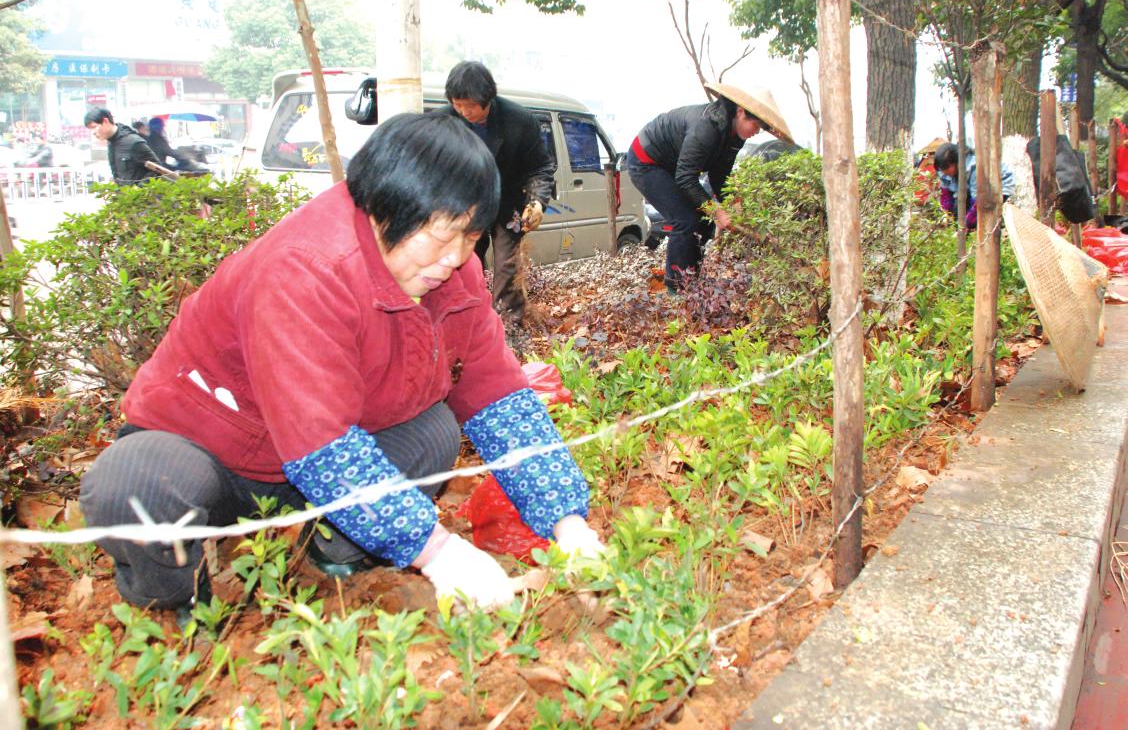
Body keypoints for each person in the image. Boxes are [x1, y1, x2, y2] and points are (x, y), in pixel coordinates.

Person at [79, 112, 604, 616]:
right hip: (214, 454)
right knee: (136, 485)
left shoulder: (454, 277)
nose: (455, 257)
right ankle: (176, 602)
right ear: (385, 208)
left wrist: (569, 525)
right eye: (441, 236)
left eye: (470, 237)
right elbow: (323, 446)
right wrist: (439, 551)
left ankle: (333, 549)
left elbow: (498, 399)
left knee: (433, 432)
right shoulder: (306, 269)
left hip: (312, 467)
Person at [627, 83, 793, 293]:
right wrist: (718, 211)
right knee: (685, 220)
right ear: (741, 112)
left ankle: (692, 282)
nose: (757, 132)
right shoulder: (706, 127)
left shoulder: (735, 136)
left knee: (704, 222)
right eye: (756, 125)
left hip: (674, 166)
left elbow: (719, 176)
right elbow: (686, 178)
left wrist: (732, 204)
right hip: (647, 161)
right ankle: (675, 290)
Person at [441, 61, 555, 322]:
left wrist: (537, 202)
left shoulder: (519, 120)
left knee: (507, 264)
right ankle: (468, 321)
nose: (464, 111)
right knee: (465, 263)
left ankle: (509, 326)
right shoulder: (444, 121)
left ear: (488, 97)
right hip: (465, 205)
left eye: (471, 105)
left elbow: (541, 166)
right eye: (458, 105)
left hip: (509, 202)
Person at [934, 142, 1015, 230]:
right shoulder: (943, 172)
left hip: (998, 187)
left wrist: (966, 225)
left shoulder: (975, 168)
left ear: (956, 162)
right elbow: (946, 195)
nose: (944, 172)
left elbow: (978, 203)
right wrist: (948, 215)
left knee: (982, 215)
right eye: (942, 169)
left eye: (947, 168)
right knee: (957, 209)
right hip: (972, 190)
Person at [84, 107, 161, 185]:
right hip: (123, 195)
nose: (93, 132)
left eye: (94, 127)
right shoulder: (111, 142)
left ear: (105, 121)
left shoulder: (132, 142)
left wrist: (138, 189)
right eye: (90, 129)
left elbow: (157, 169)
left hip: (139, 196)